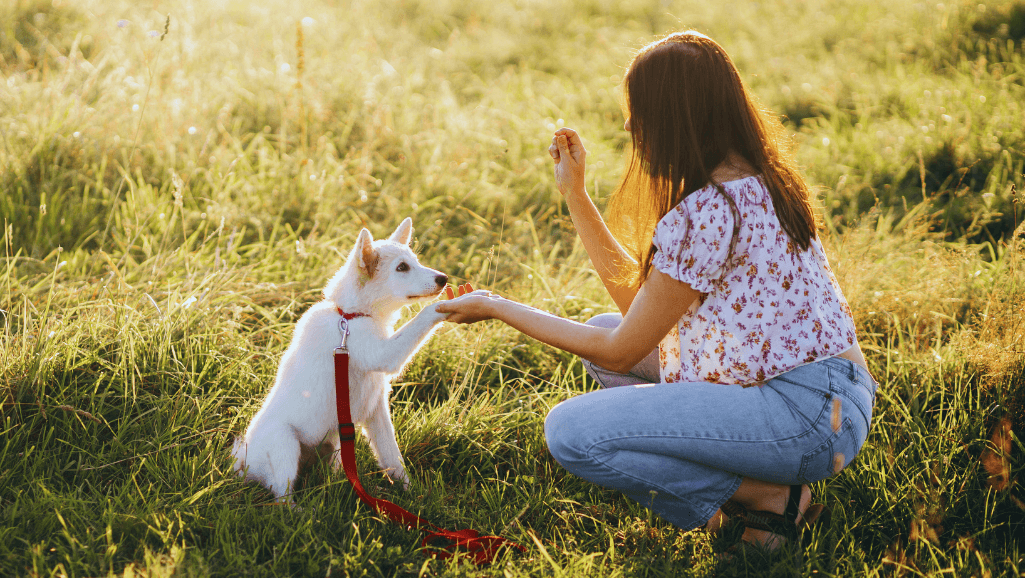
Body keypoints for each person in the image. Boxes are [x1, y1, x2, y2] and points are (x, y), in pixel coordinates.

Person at [435, 30, 876, 551]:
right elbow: (638, 318)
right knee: (602, 330)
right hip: (834, 399)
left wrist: (494, 305)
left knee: (571, 434)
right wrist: (575, 196)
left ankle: (767, 501)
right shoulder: (759, 182)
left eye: (638, 110)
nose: (628, 124)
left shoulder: (711, 211)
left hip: (805, 418)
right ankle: (770, 492)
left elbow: (623, 350)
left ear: (675, 115)